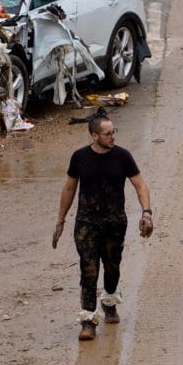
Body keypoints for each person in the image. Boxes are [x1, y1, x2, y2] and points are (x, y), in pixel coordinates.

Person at [52, 115, 153, 341]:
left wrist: (147, 212)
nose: (112, 137)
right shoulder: (80, 158)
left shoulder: (122, 156)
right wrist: (60, 220)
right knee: (89, 271)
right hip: (86, 224)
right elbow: (69, 189)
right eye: (108, 134)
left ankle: (109, 302)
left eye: (113, 132)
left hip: (114, 223)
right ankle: (88, 321)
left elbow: (140, 184)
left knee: (112, 268)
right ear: (94, 136)